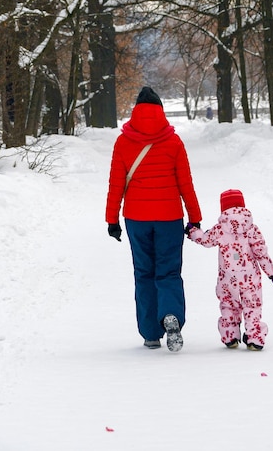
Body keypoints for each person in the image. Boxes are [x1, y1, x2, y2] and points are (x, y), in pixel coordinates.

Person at [106, 86, 202, 352]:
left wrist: (111, 220)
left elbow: (116, 185)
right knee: (169, 271)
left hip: (136, 219)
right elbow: (186, 184)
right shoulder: (173, 142)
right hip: (169, 218)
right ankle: (171, 315)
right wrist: (195, 218)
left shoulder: (123, 142)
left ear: (135, 111)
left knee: (144, 273)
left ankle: (150, 333)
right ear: (160, 111)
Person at [186, 189, 273, 351]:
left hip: (227, 280)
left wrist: (192, 231)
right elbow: (261, 254)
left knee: (229, 306)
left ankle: (231, 337)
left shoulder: (220, 229)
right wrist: (272, 273)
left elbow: (205, 240)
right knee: (252, 306)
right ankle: (254, 339)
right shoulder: (252, 229)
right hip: (250, 280)